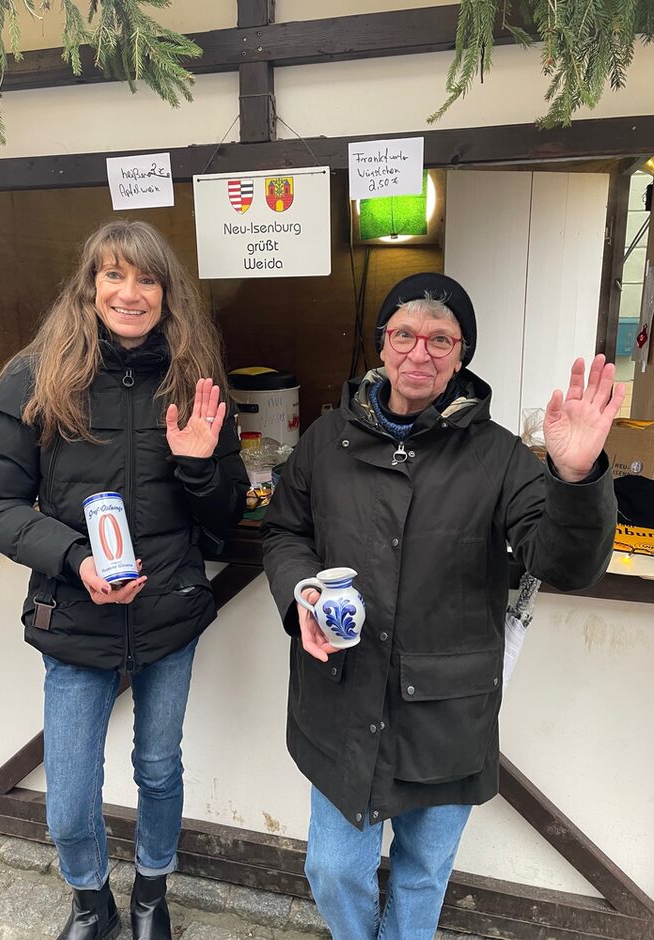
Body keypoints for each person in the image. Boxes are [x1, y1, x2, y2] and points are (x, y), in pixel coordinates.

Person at [261, 272, 623, 940]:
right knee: (334, 871)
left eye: (438, 338)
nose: (418, 352)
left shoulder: (498, 457)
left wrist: (574, 478)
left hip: (446, 714)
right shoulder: (324, 440)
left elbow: (563, 564)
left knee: (421, 876)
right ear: (381, 345)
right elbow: (285, 532)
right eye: (403, 333)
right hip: (340, 698)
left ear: (460, 355)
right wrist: (302, 592)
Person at [0, 219, 248, 940]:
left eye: (146, 278)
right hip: (73, 612)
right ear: (89, 284)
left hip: (168, 613)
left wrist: (198, 461)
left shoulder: (192, 379)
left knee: (158, 767)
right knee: (68, 796)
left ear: (166, 292)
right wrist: (75, 559)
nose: (130, 292)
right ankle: (91, 902)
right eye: (114, 275)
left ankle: (152, 895)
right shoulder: (33, 376)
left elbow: (223, 517)